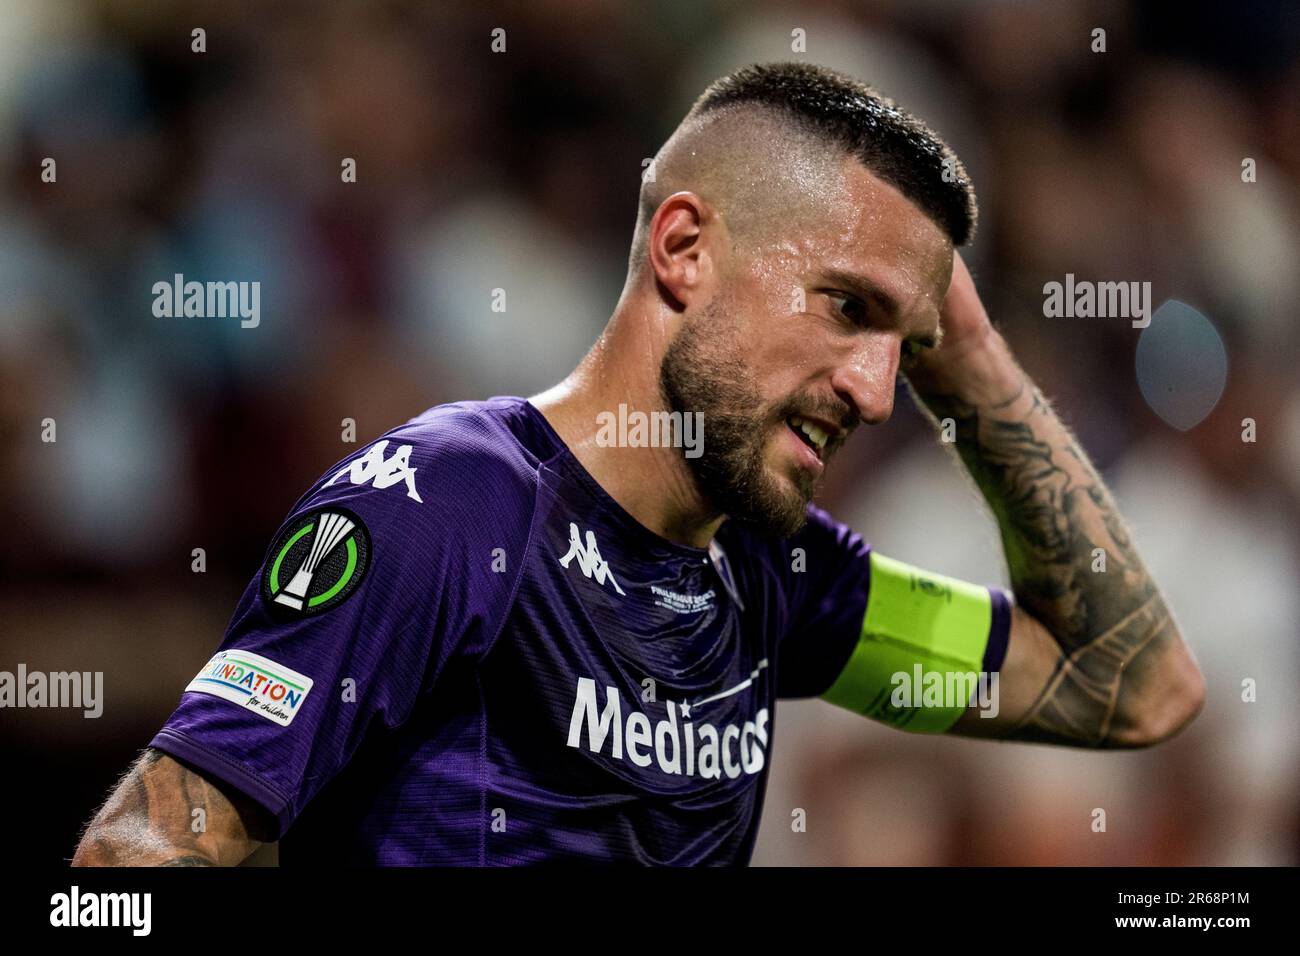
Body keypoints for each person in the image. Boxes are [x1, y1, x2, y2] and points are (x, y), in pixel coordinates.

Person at [72, 62, 1204, 867]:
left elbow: (1133, 686)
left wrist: (975, 367)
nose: (872, 389)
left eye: (901, 349)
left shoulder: (777, 576)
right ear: (683, 250)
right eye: (846, 308)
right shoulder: (448, 504)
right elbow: (132, 862)